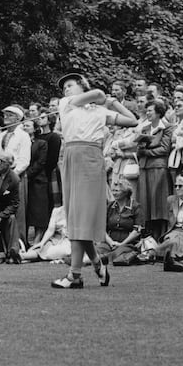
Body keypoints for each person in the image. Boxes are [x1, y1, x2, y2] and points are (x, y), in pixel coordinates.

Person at [51, 72, 138, 289]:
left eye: (70, 85)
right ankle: (97, 263)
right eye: (64, 87)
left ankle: (75, 274)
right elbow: (99, 93)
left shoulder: (99, 110)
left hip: (91, 158)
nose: (66, 90)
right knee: (76, 217)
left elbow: (133, 120)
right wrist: (103, 99)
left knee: (83, 216)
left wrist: (114, 103)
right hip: (72, 156)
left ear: (82, 86)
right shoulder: (66, 103)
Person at [136, 99, 174, 239]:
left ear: (159, 112)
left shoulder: (167, 127)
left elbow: (164, 149)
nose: (147, 113)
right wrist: (140, 149)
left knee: (158, 202)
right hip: (144, 167)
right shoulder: (145, 128)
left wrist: (146, 151)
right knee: (145, 203)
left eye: (150, 110)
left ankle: (160, 235)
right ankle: (148, 236)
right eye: (146, 111)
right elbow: (139, 149)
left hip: (158, 168)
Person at [0, 105, 31, 245]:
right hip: (1, 176)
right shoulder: (2, 135)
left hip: (17, 177)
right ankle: (1, 245)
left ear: (18, 118)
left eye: (10, 115)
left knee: (18, 211)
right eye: (5, 114)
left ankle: (18, 245)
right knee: (1, 209)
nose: (6, 117)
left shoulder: (24, 136)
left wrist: (11, 176)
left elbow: (24, 160)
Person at [94, 180, 143, 265]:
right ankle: (96, 258)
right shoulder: (110, 206)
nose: (114, 193)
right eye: (113, 190)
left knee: (117, 254)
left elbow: (137, 231)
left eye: (117, 191)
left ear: (125, 192)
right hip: (110, 242)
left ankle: (99, 259)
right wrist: (111, 242)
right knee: (96, 250)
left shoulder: (135, 207)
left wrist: (121, 244)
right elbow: (102, 228)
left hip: (128, 244)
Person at [24, 119, 49, 244]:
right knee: (26, 211)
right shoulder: (21, 142)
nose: (24, 127)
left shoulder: (41, 143)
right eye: (23, 125)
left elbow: (41, 162)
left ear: (34, 129)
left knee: (39, 211)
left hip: (38, 180)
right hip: (24, 181)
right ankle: (24, 241)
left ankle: (38, 240)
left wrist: (28, 174)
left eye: (27, 125)